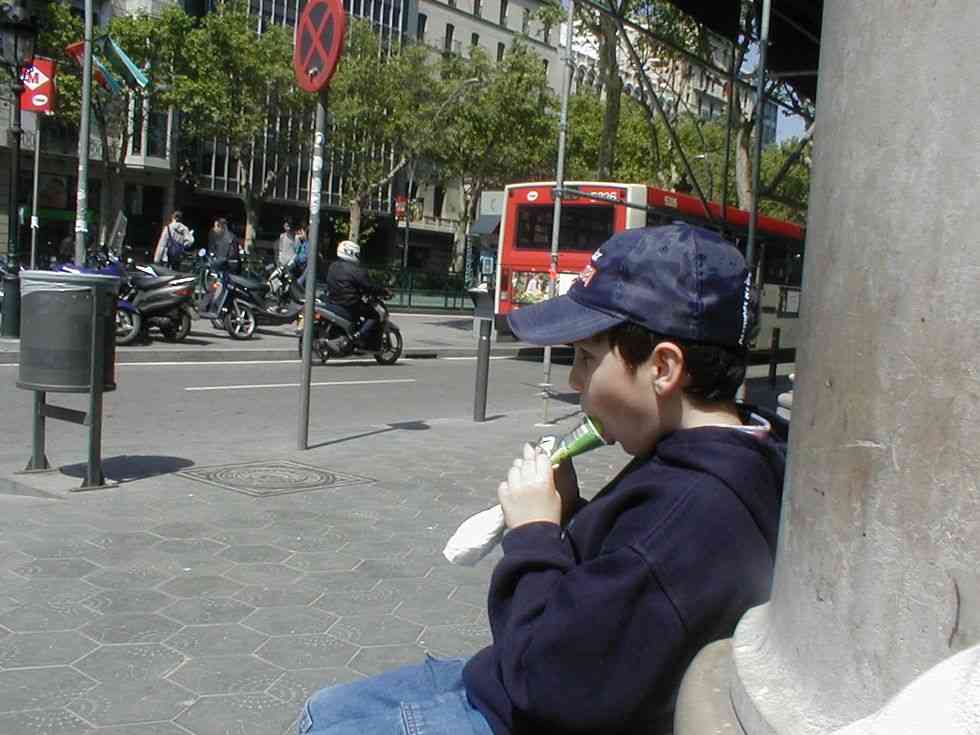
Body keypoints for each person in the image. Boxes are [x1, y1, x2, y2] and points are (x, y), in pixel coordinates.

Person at [298, 224, 786, 735]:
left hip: (530, 701)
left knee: (323, 727)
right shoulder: (719, 455)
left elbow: (552, 676)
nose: (574, 381)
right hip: (515, 678)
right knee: (323, 707)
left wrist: (534, 534)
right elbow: (625, 581)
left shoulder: (695, 507)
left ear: (663, 367)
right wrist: (572, 511)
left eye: (587, 358)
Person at [322, 239, 388, 350]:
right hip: (350, 304)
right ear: (351, 253)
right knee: (375, 315)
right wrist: (384, 291)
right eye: (357, 254)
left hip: (333, 301)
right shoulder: (356, 270)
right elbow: (369, 286)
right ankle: (357, 337)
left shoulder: (333, 266)